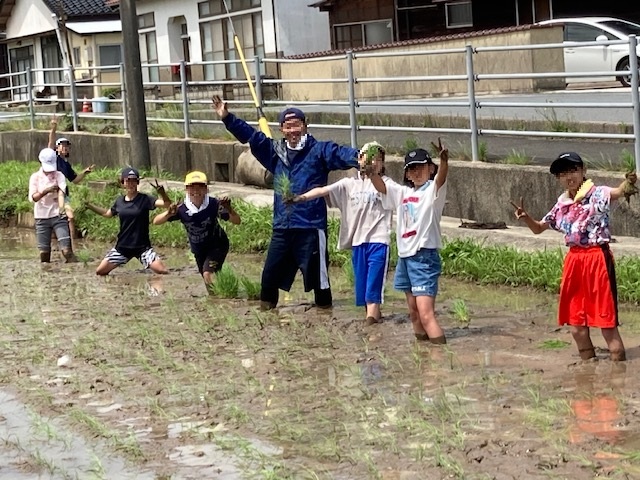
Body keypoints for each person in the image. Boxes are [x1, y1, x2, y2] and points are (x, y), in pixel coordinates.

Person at [211, 95, 359, 310]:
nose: (293, 131)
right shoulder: (274, 153)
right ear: (282, 130)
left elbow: (342, 154)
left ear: (305, 127)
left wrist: (363, 157)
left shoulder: (319, 151)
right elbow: (251, 136)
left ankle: (325, 319)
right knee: (269, 279)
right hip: (282, 227)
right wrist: (226, 117)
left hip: (311, 227)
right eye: (287, 127)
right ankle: (266, 315)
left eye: (297, 125)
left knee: (320, 283)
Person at [511, 152, 637, 362]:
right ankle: (587, 372)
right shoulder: (561, 205)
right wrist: (526, 218)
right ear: (558, 179)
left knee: (606, 324)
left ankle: (617, 373)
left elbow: (619, 191)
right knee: (576, 326)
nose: (569, 177)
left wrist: (630, 180)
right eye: (563, 174)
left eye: (572, 170)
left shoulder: (599, 194)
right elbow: (539, 229)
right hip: (574, 261)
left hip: (598, 258)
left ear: (583, 170)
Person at [291, 141, 393, 325]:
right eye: (369, 157)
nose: (373, 162)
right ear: (359, 160)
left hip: (378, 241)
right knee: (362, 292)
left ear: (383, 164)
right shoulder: (349, 184)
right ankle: (375, 320)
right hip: (358, 243)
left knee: (372, 290)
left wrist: (373, 174)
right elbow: (323, 190)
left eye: (378, 159)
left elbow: (384, 190)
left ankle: (370, 328)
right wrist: (301, 198)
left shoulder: (386, 184)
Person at [362, 141, 449, 344]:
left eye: (421, 167)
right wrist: (371, 172)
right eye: (412, 169)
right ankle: (424, 353)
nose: (417, 172)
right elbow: (382, 187)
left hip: (423, 257)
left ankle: (441, 362)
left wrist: (444, 161)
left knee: (426, 314)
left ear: (430, 168)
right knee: (414, 314)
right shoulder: (403, 193)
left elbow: (441, 179)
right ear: (407, 174)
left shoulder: (432, 192)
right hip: (405, 259)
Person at [153, 171, 241, 289]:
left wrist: (229, 209)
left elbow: (237, 221)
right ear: (186, 190)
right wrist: (168, 214)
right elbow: (156, 221)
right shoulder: (181, 208)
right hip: (199, 250)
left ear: (206, 189)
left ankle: (219, 299)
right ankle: (220, 295)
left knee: (207, 273)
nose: (196, 191)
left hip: (217, 245)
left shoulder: (214, 204)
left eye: (200, 187)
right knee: (208, 278)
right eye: (192, 188)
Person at [84, 167, 171, 276]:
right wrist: (90, 206)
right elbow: (107, 214)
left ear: (137, 183)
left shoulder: (145, 199)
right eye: (128, 181)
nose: (131, 184)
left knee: (162, 271)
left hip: (142, 247)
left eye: (134, 181)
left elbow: (167, 204)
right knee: (100, 271)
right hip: (122, 247)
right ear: (123, 183)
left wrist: (162, 193)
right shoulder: (119, 201)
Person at [48, 115, 95, 244]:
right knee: (53, 219)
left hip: (63, 194)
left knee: (70, 217)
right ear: (57, 148)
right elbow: (50, 142)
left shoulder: (66, 164)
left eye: (67, 146)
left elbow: (74, 180)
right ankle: (56, 242)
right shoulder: (53, 158)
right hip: (51, 193)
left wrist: (85, 173)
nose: (65, 148)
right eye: (62, 146)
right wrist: (53, 128)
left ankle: (72, 242)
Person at [28, 148, 75, 263]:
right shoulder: (35, 177)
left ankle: (74, 266)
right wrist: (46, 191)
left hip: (57, 215)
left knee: (66, 250)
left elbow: (61, 193)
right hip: (41, 217)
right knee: (44, 254)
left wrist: (61, 208)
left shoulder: (59, 176)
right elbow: (34, 197)